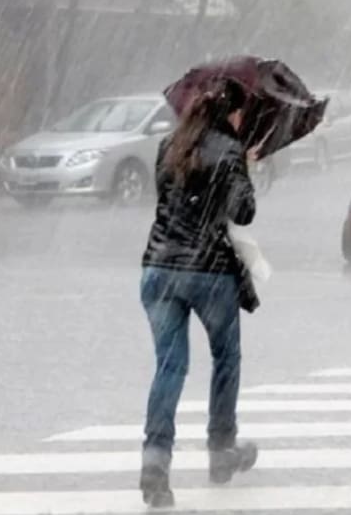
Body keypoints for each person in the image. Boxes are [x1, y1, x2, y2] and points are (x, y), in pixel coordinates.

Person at [139, 77, 259, 508]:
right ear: (231, 113)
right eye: (242, 112)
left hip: (158, 268)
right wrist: (245, 165)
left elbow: (170, 200)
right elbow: (243, 211)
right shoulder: (229, 150)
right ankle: (221, 450)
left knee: (169, 368)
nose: (243, 119)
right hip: (208, 272)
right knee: (226, 357)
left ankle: (155, 460)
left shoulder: (168, 145)